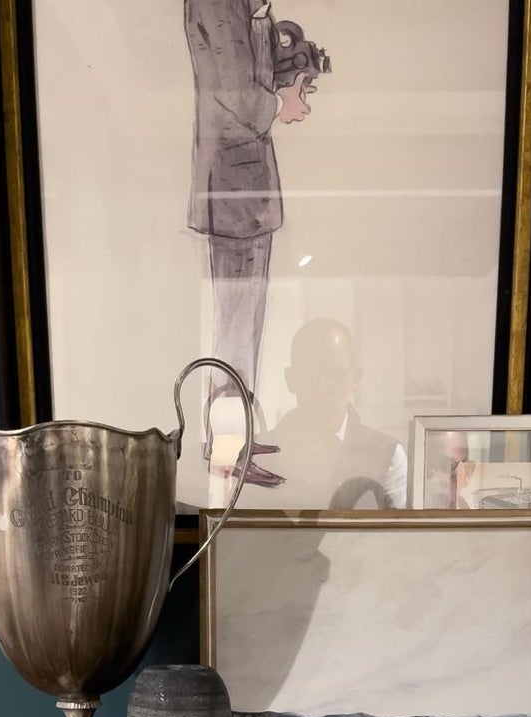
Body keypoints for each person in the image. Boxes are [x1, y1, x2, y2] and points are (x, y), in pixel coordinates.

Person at [184, 1, 329, 486]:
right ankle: (226, 451)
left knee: (242, 332)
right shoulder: (218, 3)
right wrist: (282, 103)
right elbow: (238, 93)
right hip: (233, 190)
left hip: (243, 191)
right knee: (233, 334)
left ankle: (233, 439)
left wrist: (271, 30)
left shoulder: (242, 6)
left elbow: (250, 71)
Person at [267, 318, 407, 509]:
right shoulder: (258, 455)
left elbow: (398, 528)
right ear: (290, 379)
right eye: (310, 372)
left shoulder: (388, 456)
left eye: (335, 373)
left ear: (356, 379)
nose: (323, 384)